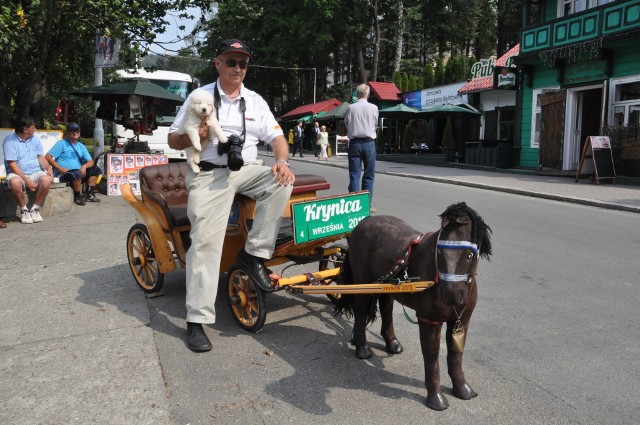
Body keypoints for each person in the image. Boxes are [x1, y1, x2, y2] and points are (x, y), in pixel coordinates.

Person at [167, 38, 295, 353]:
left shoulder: (255, 100)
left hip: (246, 168)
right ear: (218, 64)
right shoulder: (200, 96)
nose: (237, 68)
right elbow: (172, 139)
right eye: (231, 61)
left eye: (243, 63)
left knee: (282, 181)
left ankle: (253, 256)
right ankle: (196, 321)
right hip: (209, 172)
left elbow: (276, 136)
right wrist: (192, 136)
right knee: (206, 243)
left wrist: (281, 161)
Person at [3, 116, 53, 224]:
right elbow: (12, 165)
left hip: (35, 171)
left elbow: (41, 157)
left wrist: (49, 169)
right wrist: (27, 181)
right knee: (15, 182)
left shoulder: (35, 139)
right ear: (25, 130)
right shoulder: (9, 141)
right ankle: (24, 210)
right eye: (33, 127)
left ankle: (35, 209)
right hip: (16, 172)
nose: (35, 129)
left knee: (46, 180)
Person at [45, 123, 102, 205]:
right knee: (77, 173)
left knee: (96, 169)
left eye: (76, 131)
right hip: (64, 173)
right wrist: (60, 169)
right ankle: (77, 196)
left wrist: (84, 166)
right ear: (67, 132)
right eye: (72, 131)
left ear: (79, 133)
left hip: (78, 173)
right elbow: (48, 156)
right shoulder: (61, 143)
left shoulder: (81, 146)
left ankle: (89, 193)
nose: (75, 133)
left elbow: (91, 162)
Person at [344, 83, 379, 213]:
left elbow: (347, 124)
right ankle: (366, 205)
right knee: (369, 175)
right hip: (369, 143)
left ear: (357, 94)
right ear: (368, 94)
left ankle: (353, 205)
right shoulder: (374, 108)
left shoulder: (350, 108)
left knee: (354, 175)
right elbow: (375, 124)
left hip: (355, 143)